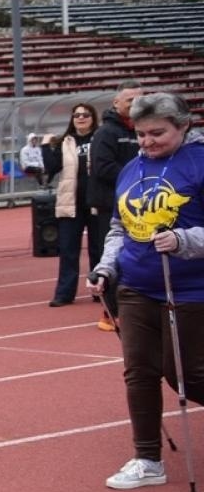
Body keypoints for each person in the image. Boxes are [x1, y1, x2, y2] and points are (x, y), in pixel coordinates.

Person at [89, 91, 204, 491]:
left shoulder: (199, 162)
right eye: (140, 135)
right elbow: (120, 228)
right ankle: (147, 458)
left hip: (191, 288)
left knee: (185, 374)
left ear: (183, 126)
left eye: (157, 133)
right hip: (137, 286)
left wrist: (185, 240)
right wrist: (107, 266)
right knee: (138, 371)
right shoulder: (132, 168)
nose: (147, 142)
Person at [89, 80, 145, 331]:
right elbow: (103, 168)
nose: (136, 104)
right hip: (111, 205)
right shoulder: (106, 133)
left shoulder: (141, 129)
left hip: (140, 206)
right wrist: (137, 179)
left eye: (139, 99)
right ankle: (110, 312)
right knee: (113, 257)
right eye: (130, 100)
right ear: (116, 103)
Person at [43, 102, 101, 307]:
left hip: (96, 202)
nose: (81, 118)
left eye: (85, 114)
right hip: (71, 202)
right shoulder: (66, 141)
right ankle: (64, 294)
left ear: (93, 117)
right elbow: (51, 168)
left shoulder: (101, 137)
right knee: (68, 250)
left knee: (99, 249)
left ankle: (100, 290)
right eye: (77, 115)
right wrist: (45, 146)